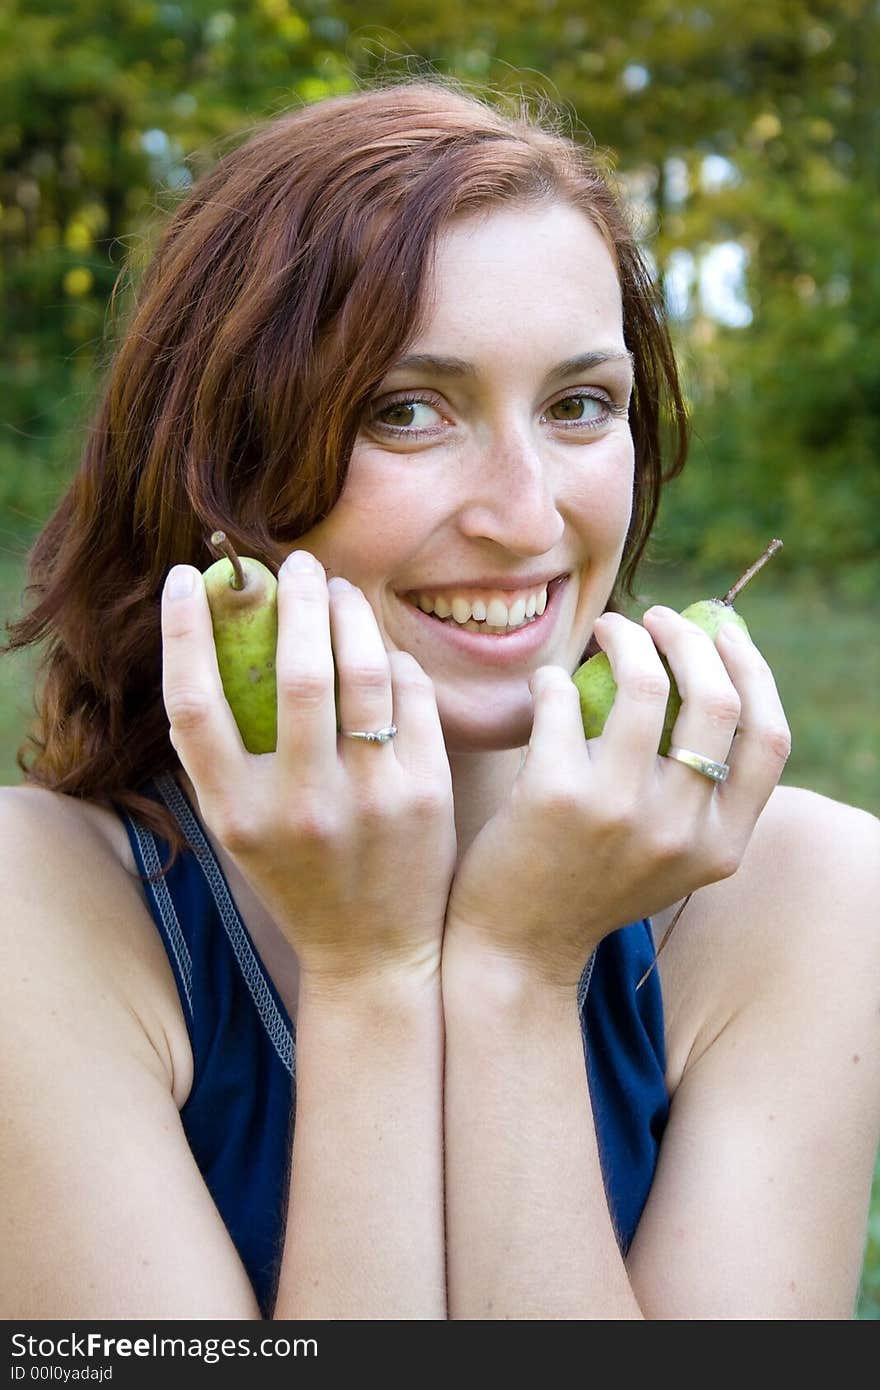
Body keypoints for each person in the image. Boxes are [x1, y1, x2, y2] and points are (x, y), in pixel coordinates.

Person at [2, 75, 878, 1322]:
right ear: (218, 460)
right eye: (407, 412)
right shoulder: (36, 910)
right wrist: (369, 976)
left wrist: (519, 975)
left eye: (580, 405)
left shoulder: (806, 895)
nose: (527, 517)